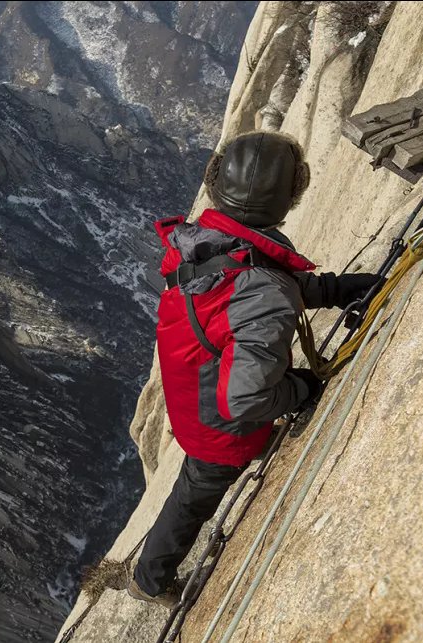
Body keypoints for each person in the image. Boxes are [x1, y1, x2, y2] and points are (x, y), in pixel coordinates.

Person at [128, 131, 382, 608]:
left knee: (191, 486)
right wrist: (299, 390)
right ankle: (149, 578)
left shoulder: (204, 241)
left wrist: (336, 289)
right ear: (291, 196)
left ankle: (149, 574)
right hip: (219, 424)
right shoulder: (259, 283)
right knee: (195, 496)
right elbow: (245, 394)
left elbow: (251, 284)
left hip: (193, 392)